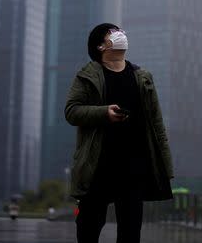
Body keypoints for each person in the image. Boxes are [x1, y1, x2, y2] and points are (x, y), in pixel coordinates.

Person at [65, 23, 173, 243]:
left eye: (121, 31)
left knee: (131, 231)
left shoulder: (142, 77)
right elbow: (71, 111)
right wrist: (104, 113)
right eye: (112, 33)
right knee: (88, 228)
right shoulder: (87, 76)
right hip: (98, 164)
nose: (120, 35)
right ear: (100, 46)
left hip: (134, 165)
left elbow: (156, 123)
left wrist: (166, 165)